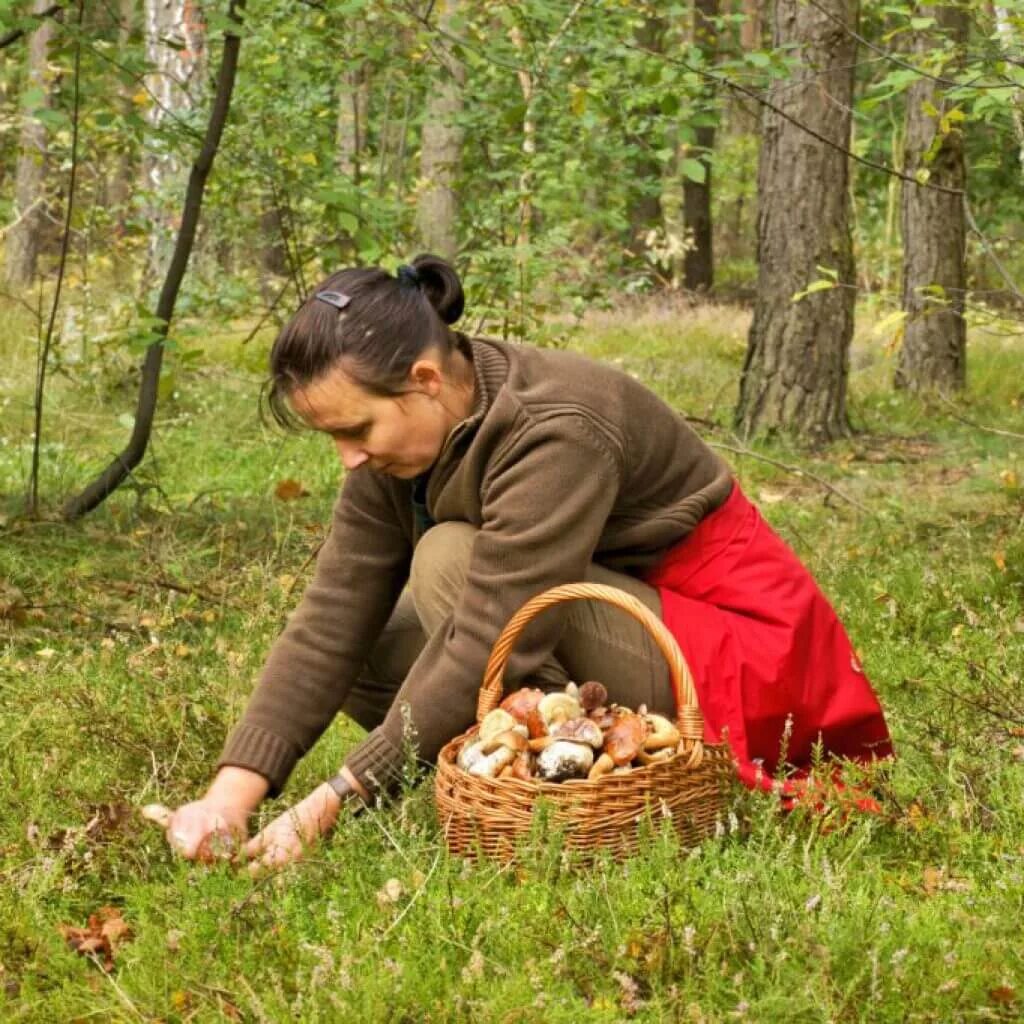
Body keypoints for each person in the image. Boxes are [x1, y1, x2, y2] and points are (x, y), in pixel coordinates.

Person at [164, 255, 893, 871]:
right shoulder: (395, 451)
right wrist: (231, 797)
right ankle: (537, 772)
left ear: (423, 379)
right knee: (368, 644)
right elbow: (331, 617)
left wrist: (331, 803)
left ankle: (578, 799)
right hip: (626, 620)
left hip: (741, 656)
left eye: (357, 429)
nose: (348, 457)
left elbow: (495, 633)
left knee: (450, 560)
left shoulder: (556, 427)